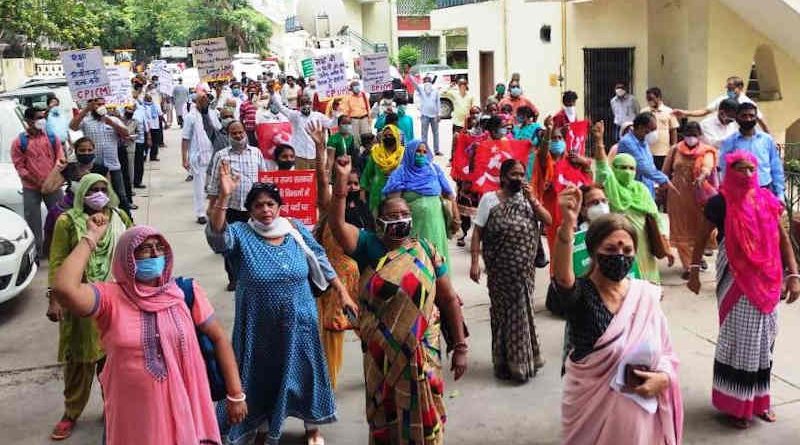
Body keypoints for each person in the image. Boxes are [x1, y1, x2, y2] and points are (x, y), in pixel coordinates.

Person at [53, 219, 247, 443]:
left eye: (160, 247)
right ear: (128, 257)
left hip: (186, 409)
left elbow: (219, 338)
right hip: (135, 417)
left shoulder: (184, 292)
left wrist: (235, 394)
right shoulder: (110, 298)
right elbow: (64, 289)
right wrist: (91, 238)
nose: (155, 254)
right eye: (145, 248)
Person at [206, 168, 355, 445]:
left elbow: (320, 258)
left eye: (270, 204)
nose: (265, 210)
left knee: (307, 373)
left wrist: (343, 292)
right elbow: (217, 239)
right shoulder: (240, 234)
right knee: (260, 376)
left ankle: (313, 428)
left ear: (279, 207)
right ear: (249, 210)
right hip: (258, 326)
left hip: (301, 322)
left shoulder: (294, 229)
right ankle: (262, 427)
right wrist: (223, 196)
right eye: (258, 205)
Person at [329, 155, 468, 445]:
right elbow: (337, 226)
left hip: (423, 348)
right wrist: (340, 183)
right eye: (392, 216)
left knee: (425, 410)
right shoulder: (368, 245)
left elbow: (449, 299)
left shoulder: (425, 251)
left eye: (404, 214)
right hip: (381, 353)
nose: (400, 220)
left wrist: (460, 346)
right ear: (378, 222)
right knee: (385, 412)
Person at [550, 190, 683, 444]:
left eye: (627, 249)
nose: (620, 255)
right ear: (593, 252)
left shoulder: (644, 295)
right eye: (610, 248)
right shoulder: (581, 295)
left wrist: (664, 379)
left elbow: (667, 353)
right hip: (592, 416)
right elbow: (564, 281)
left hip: (642, 417)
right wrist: (566, 227)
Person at [688, 150, 799, 429]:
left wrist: (793, 273)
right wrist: (693, 271)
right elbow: (701, 236)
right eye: (740, 169)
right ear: (729, 170)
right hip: (735, 279)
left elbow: (782, 239)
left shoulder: (766, 199)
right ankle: (735, 404)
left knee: (765, 341)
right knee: (740, 341)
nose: (747, 174)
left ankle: (760, 401)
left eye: (751, 169)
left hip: (769, 280)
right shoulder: (720, 203)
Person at [46, 173, 132, 440]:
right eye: (92, 189)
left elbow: (131, 252)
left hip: (115, 299)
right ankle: (71, 412)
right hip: (82, 301)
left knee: (113, 361)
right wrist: (55, 299)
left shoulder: (120, 217)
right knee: (79, 363)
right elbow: (57, 261)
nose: (98, 194)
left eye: (102, 189)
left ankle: (112, 407)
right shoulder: (67, 221)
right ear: (82, 193)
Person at [470, 159, 552, 382]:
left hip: (523, 271)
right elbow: (477, 232)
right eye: (514, 174)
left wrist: (532, 199)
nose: (518, 178)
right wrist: (475, 262)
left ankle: (524, 362)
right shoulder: (489, 200)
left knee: (521, 314)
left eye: (521, 174)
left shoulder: (527, 199)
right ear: (504, 177)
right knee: (501, 314)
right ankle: (503, 361)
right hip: (499, 271)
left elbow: (548, 220)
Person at [311, 123, 374, 389]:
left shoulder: (363, 209)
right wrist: (320, 150)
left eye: (355, 184)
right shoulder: (330, 209)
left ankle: (374, 373)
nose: (351, 187)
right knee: (332, 333)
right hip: (332, 281)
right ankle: (328, 387)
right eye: (346, 183)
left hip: (359, 278)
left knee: (368, 330)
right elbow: (323, 181)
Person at [593, 121, 672, 283]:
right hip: (619, 244)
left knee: (647, 287)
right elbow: (603, 169)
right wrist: (599, 142)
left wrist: (666, 244)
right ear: (614, 168)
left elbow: (656, 217)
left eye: (631, 168)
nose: (627, 172)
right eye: (622, 168)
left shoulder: (641, 189)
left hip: (644, 244)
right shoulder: (612, 186)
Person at [206, 120, 267, 291]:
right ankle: (233, 278)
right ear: (228, 135)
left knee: (255, 244)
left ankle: (254, 276)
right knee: (230, 244)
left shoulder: (256, 153)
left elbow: (264, 178)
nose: (239, 136)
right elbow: (214, 184)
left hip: (253, 210)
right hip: (231, 209)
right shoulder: (221, 156)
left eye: (241, 132)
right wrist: (212, 207)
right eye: (234, 133)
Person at [383, 139, 457, 268]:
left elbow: (450, 195)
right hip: (412, 228)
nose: (421, 154)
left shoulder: (434, 170)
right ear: (410, 153)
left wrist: (456, 217)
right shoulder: (401, 173)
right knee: (415, 262)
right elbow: (393, 203)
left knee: (437, 260)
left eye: (424, 152)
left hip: (436, 226)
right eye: (418, 151)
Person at [662, 121, 717, 279]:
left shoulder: (706, 151)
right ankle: (687, 266)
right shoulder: (675, 149)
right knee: (680, 229)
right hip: (677, 195)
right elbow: (665, 171)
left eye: (694, 135)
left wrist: (702, 175)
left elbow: (708, 166)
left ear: (699, 136)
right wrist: (662, 189)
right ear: (683, 135)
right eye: (688, 135)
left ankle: (697, 258)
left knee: (700, 228)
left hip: (700, 196)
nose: (691, 138)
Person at [531, 117, 593, 256]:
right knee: (559, 253)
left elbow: (588, 183)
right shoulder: (545, 162)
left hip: (577, 216)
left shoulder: (573, 160)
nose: (557, 141)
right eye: (554, 138)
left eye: (560, 137)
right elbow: (543, 152)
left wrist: (585, 164)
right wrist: (548, 131)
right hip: (555, 216)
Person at [12, 106, 65, 257]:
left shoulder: (51, 137)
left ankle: (58, 250)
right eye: (38, 118)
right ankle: (37, 253)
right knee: (32, 220)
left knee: (60, 217)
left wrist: (54, 179)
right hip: (31, 187)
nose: (42, 120)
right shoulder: (19, 142)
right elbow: (19, 166)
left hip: (53, 186)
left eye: (43, 117)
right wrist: (36, 180)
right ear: (28, 121)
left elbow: (60, 160)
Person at [70, 98, 131, 216]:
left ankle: (127, 220)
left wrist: (112, 123)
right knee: (96, 197)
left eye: (103, 104)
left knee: (120, 196)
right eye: (98, 104)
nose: (101, 106)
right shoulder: (86, 121)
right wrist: (86, 109)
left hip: (113, 165)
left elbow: (126, 134)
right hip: (94, 167)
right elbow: (73, 126)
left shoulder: (113, 120)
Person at [42, 137, 97, 255]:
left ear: (94, 151)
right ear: (76, 152)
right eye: (82, 150)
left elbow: (108, 194)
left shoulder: (101, 168)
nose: (86, 153)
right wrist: (57, 168)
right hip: (71, 207)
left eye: (89, 150)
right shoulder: (71, 168)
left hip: (92, 208)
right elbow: (47, 189)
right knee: (55, 215)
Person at [718, 102, 784, 199]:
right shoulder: (729, 142)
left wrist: (780, 193)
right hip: (740, 193)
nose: (748, 119)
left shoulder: (766, 139)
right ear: (737, 118)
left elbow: (776, 167)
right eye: (744, 116)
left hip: (765, 189)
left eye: (751, 115)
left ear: (756, 118)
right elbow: (724, 168)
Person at [674, 75, 769, 133]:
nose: (729, 91)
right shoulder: (722, 99)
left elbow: (761, 121)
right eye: (727, 89)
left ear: (740, 87)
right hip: (721, 134)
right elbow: (705, 111)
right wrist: (685, 113)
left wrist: (770, 139)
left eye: (731, 89)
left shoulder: (748, 103)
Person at [616, 112, 674, 198]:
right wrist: (663, 179)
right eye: (651, 130)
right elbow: (642, 167)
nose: (654, 133)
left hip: (647, 189)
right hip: (633, 191)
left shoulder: (644, 142)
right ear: (640, 127)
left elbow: (650, 165)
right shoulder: (627, 143)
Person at [182, 93, 219, 224]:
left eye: (207, 102)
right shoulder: (190, 117)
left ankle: (214, 210)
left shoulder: (211, 114)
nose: (205, 104)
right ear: (197, 103)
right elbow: (185, 139)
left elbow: (218, 131)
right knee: (199, 187)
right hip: (198, 157)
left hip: (213, 155)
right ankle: (200, 213)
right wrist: (184, 158)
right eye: (203, 102)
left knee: (214, 186)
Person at [272, 92, 334, 170]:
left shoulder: (318, 116)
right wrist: (273, 93)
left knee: (316, 180)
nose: (305, 105)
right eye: (303, 103)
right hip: (300, 156)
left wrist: (335, 113)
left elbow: (331, 124)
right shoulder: (295, 115)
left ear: (311, 104)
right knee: (302, 179)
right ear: (299, 105)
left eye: (307, 103)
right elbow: (281, 107)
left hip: (315, 155)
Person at [360, 125, 405, 213]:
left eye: (391, 135)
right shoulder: (376, 153)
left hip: (397, 194)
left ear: (396, 137)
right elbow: (367, 174)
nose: (388, 138)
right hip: (377, 193)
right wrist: (362, 194)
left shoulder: (403, 154)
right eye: (385, 136)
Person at [639, 87, 678, 170]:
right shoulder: (644, 112)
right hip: (647, 150)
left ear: (659, 97)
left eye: (651, 98)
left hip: (664, 151)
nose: (649, 101)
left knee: (663, 173)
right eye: (648, 99)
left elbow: (673, 130)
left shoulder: (669, 111)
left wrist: (673, 148)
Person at [413, 76, 442, 155]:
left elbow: (438, 103)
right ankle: (424, 150)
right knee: (424, 134)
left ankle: (437, 150)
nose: (427, 84)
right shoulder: (421, 90)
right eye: (426, 83)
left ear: (431, 83)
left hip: (434, 116)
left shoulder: (435, 91)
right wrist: (410, 75)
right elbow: (415, 85)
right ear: (423, 84)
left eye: (429, 82)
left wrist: (439, 114)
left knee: (436, 133)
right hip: (424, 115)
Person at [339, 80, 371, 148]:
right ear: (351, 88)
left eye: (358, 86)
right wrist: (347, 120)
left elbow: (368, 107)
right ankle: (357, 152)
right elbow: (345, 110)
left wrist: (369, 119)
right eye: (355, 87)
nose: (357, 88)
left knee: (366, 136)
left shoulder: (363, 95)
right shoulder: (347, 97)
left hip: (364, 118)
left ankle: (366, 151)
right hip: (353, 120)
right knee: (355, 138)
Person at [119, 104, 138, 209]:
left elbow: (138, 133)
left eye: (131, 109)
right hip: (120, 147)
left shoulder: (135, 121)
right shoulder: (118, 120)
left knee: (130, 171)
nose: (129, 111)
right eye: (128, 109)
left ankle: (130, 189)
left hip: (130, 146)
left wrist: (130, 137)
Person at [450, 78, 475, 154]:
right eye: (461, 84)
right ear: (458, 86)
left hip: (467, 123)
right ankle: (452, 159)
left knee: (466, 141)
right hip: (457, 122)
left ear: (466, 85)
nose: (462, 86)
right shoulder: (454, 94)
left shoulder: (470, 96)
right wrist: (451, 86)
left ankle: (464, 159)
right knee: (455, 141)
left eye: (464, 84)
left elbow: (473, 108)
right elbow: (444, 92)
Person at [142, 94, 165, 161]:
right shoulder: (142, 107)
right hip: (146, 127)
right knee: (146, 143)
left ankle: (153, 156)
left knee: (155, 143)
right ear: (145, 99)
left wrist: (165, 122)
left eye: (149, 98)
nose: (149, 99)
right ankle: (144, 157)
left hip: (155, 127)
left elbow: (160, 115)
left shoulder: (156, 105)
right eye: (147, 98)